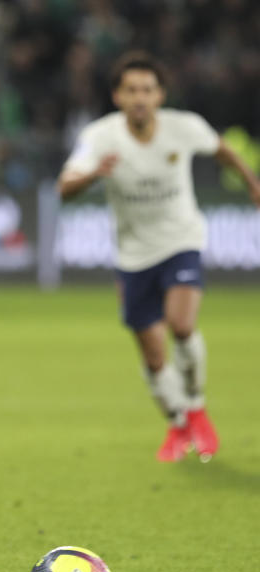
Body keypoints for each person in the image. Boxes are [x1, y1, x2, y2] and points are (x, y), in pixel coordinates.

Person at [57, 51, 260, 463]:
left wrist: (252, 184)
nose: (140, 98)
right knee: (152, 355)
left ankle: (197, 407)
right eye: (131, 90)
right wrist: (96, 174)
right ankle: (177, 423)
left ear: (160, 95)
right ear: (117, 96)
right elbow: (64, 187)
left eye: (147, 90)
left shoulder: (184, 128)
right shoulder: (101, 137)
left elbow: (223, 150)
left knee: (182, 325)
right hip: (133, 257)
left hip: (181, 241)